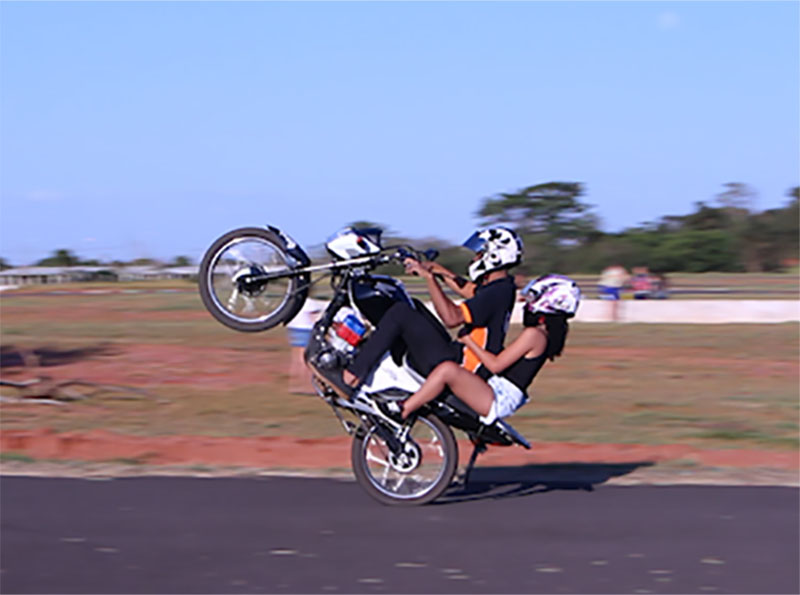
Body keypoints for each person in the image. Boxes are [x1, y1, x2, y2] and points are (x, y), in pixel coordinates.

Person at [377, 275, 580, 424]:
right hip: (499, 391)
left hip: (499, 397)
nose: (527, 302)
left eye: (534, 296)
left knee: (448, 370)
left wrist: (468, 341)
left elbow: (495, 364)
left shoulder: (534, 335)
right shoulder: (543, 336)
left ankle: (403, 410)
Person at [342, 226, 524, 390]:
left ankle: (354, 374)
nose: (475, 258)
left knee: (401, 313)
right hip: (460, 356)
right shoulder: (501, 287)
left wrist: (428, 278)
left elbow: (451, 319)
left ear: (494, 255)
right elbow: (469, 290)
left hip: (464, 368)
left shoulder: (496, 292)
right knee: (416, 307)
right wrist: (437, 270)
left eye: (479, 253)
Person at [286, 298, 325, 394]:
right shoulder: (310, 303)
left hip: (294, 329)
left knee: (297, 359)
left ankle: (295, 383)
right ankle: (306, 385)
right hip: (304, 330)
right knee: (305, 359)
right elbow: (313, 316)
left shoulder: (296, 301)